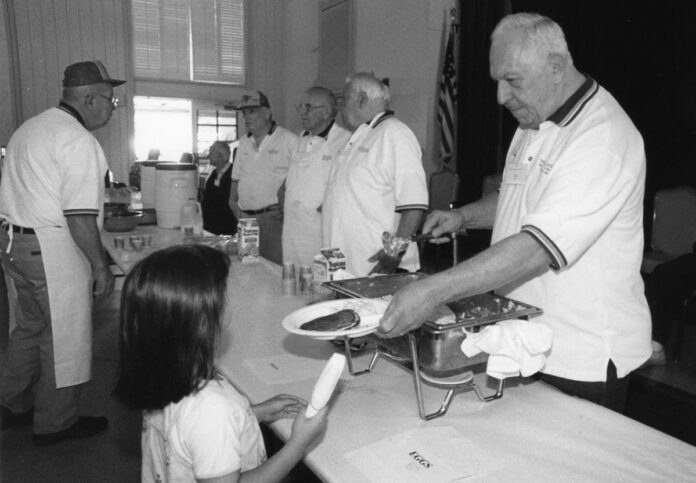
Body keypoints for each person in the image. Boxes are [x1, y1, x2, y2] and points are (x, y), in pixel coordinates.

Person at [379, 13, 652, 413]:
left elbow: (536, 249)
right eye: (497, 82)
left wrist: (431, 290)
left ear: (556, 68)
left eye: (512, 81)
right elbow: (517, 198)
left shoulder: (602, 137)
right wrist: (464, 217)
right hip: (523, 339)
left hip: (581, 354)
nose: (500, 97)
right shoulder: (533, 122)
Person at [114, 245, 328, 482]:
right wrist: (298, 444)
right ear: (202, 322)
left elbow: (189, 434)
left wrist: (251, 414)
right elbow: (208, 422)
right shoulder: (212, 409)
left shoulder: (161, 376)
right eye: (221, 297)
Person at [0, 60, 120, 443]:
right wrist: (100, 267)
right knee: (63, 335)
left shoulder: (29, 128)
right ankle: (56, 422)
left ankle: (12, 403)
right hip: (51, 248)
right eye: (110, 100)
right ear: (89, 98)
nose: (112, 108)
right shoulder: (77, 140)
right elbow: (79, 218)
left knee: (27, 329)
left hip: (14, 244)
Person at [322, 73, 428, 276]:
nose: (340, 107)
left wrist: (394, 252)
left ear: (361, 99)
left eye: (344, 100)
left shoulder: (395, 133)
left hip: (379, 267)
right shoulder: (360, 136)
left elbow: (414, 204)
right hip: (347, 265)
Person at [281, 87, 351, 269]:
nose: (302, 112)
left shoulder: (345, 141)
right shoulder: (301, 139)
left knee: (319, 286)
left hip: (320, 232)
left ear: (326, 111)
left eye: (308, 107)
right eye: (300, 107)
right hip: (292, 229)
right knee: (293, 280)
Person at [229, 90, 299, 265]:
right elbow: (236, 178)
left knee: (274, 270)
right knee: (248, 270)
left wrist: (287, 209)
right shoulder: (244, 141)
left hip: (272, 221)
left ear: (267, 113)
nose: (246, 118)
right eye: (244, 113)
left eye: (252, 112)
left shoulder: (289, 140)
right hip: (245, 219)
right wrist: (232, 204)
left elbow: (300, 180)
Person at [201, 141, 238, 235]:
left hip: (228, 229)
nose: (208, 156)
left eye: (211, 153)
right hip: (211, 228)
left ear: (221, 156)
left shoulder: (235, 175)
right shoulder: (214, 173)